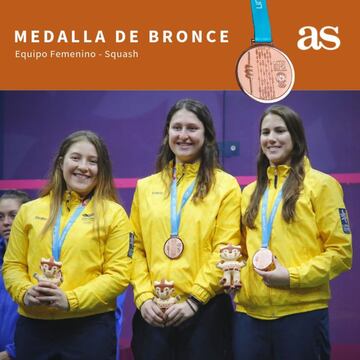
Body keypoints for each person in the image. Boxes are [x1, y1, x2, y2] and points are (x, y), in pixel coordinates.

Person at [233, 105, 352, 360]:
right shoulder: (249, 192)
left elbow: (341, 254)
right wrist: (234, 273)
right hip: (249, 316)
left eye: (280, 130)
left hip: (302, 314)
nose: (271, 138)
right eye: (265, 132)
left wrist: (290, 277)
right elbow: (242, 252)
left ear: (296, 137)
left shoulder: (322, 186)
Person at [3, 130, 133, 360]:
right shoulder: (29, 211)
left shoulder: (114, 214)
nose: (83, 166)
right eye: (76, 158)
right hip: (34, 327)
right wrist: (25, 293)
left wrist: (70, 300)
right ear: (61, 162)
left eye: (93, 161)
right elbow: (12, 265)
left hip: (90, 329)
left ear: (101, 169)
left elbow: (119, 275)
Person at [130, 99, 241, 360]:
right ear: (167, 133)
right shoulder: (145, 187)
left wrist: (194, 299)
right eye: (176, 127)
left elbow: (226, 249)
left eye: (192, 128)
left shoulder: (226, 186)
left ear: (207, 135)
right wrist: (144, 298)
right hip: (154, 312)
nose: (183, 135)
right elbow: (134, 248)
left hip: (206, 312)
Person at [0, 190, 31, 360]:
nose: (6, 222)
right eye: (0, 217)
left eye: (13, 215)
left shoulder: (42, 261)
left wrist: (12, 353)